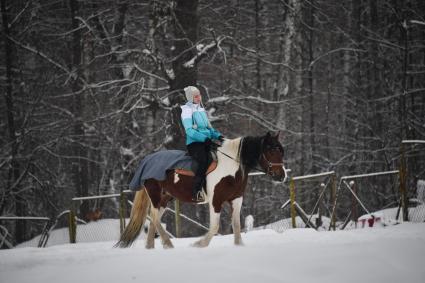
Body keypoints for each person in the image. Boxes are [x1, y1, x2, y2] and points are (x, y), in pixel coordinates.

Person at [181, 86, 224, 202]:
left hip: (207, 142)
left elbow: (209, 129)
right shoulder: (186, 110)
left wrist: (219, 136)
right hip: (194, 144)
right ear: (190, 97)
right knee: (204, 160)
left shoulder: (201, 110)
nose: (198, 98)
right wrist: (204, 139)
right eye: (195, 96)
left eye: (199, 95)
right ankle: (196, 191)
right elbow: (189, 130)